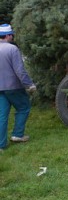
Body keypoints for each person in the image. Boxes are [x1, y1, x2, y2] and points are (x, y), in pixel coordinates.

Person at [0, 24, 36, 152]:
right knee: (24, 107)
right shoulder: (12, 49)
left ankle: (1, 145)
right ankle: (17, 135)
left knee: (2, 115)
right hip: (13, 87)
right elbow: (20, 71)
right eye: (12, 35)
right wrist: (29, 85)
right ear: (8, 35)